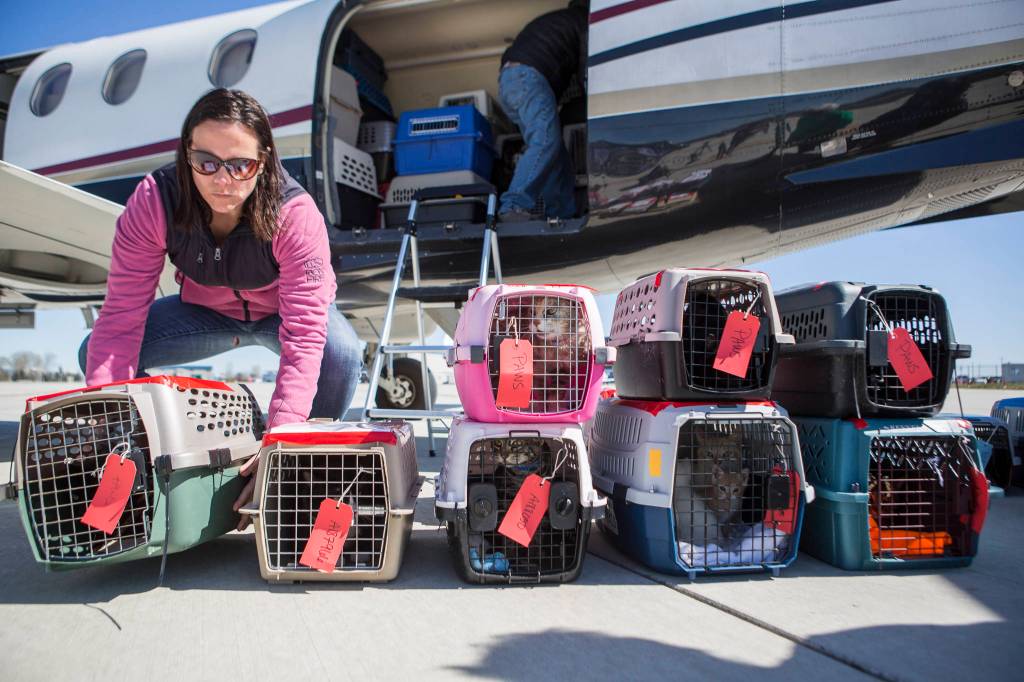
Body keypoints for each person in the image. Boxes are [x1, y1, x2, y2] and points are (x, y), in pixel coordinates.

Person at [78, 88, 362, 526]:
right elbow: (120, 316)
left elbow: (305, 334)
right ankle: (139, 457)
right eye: (206, 162)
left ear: (264, 160)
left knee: (340, 353)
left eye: (241, 165)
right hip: (204, 312)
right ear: (185, 154)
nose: (222, 181)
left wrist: (279, 440)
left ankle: (295, 463)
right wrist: (104, 421)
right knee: (93, 352)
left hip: (279, 314)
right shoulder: (155, 201)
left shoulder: (296, 214)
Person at [497, 0, 588, 222]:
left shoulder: (556, 22)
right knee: (546, 141)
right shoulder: (583, 23)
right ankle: (513, 204)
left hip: (510, 81)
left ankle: (562, 215)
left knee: (555, 155)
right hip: (528, 78)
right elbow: (587, 72)